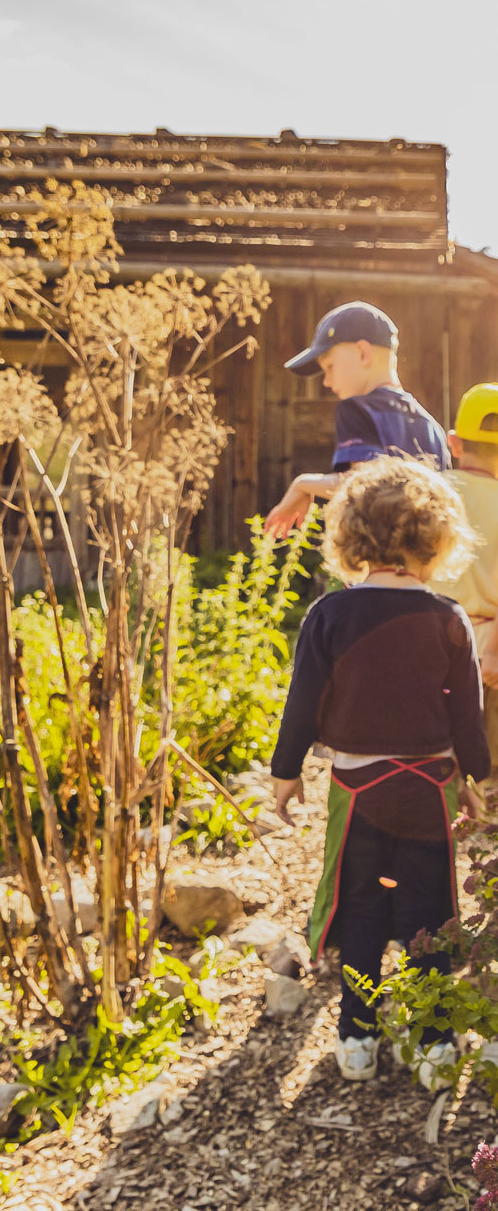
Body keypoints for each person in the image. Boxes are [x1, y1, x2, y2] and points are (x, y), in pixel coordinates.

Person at [271, 456, 490, 1085]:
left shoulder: (330, 616)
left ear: (350, 538)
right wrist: (477, 779)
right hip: (429, 789)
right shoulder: (448, 620)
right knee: (431, 915)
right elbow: (467, 715)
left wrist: (286, 775)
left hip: (355, 788)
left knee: (361, 909)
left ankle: (358, 1038)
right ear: (439, 537)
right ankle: (433, 1044)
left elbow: (303, 701)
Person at [264, 301, 450, 538]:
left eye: (329, 367)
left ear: (363, 353)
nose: (326, 382)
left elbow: (364, 485)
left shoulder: (356, 409)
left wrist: (302, 484)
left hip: (378, 564)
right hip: (426, 568)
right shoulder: (432, 425)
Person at [429, 383, 498, 798]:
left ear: (453, 443)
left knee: (441, 764)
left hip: (432, 647)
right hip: (492, 652)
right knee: (490, 770)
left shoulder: (428, 493)